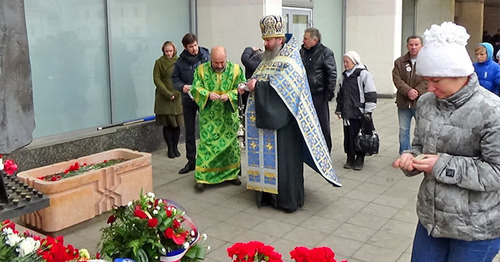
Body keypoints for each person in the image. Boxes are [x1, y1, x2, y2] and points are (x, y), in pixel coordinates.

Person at [393, 22, 500, 261]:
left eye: (436, 80)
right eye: (426, 79)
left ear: (459, 74)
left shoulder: (492, 111)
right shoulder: (427, 103)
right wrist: (411, 156)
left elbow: (496, 171)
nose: (429, 88)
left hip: (477, 227)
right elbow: (420, 145)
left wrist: (440, 165)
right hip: (432, 220)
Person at [243, 15, 341, 213]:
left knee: (284, 164)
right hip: (265, 121)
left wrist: (259, 87)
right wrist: (247, 86)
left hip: (286, 125)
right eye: (265, 39)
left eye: (269, 40)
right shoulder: (267, 58)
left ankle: (285, 200)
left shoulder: (290, 59)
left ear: (280, 39)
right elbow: (258, 78)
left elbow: (286, 89)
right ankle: (267, 196)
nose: (265, 43)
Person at [189, 46, 245, 192]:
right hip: (209, 117)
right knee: (207, 145)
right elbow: (195, 88)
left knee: (231, 147)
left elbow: (242, 87)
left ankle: (231, 175)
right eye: (216, 63)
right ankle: (202, 178)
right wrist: (207, 94)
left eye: (222, 62)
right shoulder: (200, 70)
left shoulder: (236, 70)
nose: (219, 65)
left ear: (226, 58)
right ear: (210, 60)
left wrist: (231, 95)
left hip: (228, 116)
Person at [172, 33, 210, 174]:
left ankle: (206, 160)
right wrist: (182, 87)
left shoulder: (206, 57)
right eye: (190, 47)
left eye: (195, 45)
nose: (194, 49)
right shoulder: (180, 62)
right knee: (190, 131)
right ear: (185, 47)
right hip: (188, 100)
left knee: (207, 129)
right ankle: (191, 161)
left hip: (204, 98)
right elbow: (174, 79)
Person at [335, 51, 377, 171]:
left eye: (347, 61)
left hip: (360, 112)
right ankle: (350, 157)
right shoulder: (343, 76)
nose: (345, 64)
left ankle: (359, 159)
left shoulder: (363, 74)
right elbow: (340, 94)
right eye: (344, 61)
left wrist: (368, 111)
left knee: (359, 136)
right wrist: (339, 110)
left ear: (354, 61)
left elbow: (371, 93)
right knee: (348, 136)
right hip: (347, 113)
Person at [300, 28, 337, 152]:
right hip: (305, 94)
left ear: (314, 40)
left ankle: (326, 150)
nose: (303, 40)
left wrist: (328, 94)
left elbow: (332, 74)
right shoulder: (302, 52)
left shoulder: (325, 53)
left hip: (319, 94)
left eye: (306, 38)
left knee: (322, 124)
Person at [392, 35, 427, 154]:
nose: (413, 47)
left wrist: (417, 91)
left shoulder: (427, 62)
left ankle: (420, 153)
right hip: (403, 103)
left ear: (421, 46)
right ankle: (404, 154)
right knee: (403, 130)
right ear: (407, 46)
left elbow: (428, 80)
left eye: (416, 44)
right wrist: (408, 91)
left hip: (420, 103)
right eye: (411, 44)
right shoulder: (399, 62)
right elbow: (397, 79)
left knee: (422, 130)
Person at [153, 41, 183, 158]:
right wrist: (167, 93)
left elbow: (183, 77)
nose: (169, 53)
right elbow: (157, 79)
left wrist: (176, 92)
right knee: (167, 125)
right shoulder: (159, 62)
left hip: (177, 97)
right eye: (166, 51)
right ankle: (170, 148)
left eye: (170, 51)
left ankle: (175, 146)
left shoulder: (180, 62)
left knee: (177, 125)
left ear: (174, 50)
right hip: (164, 98)